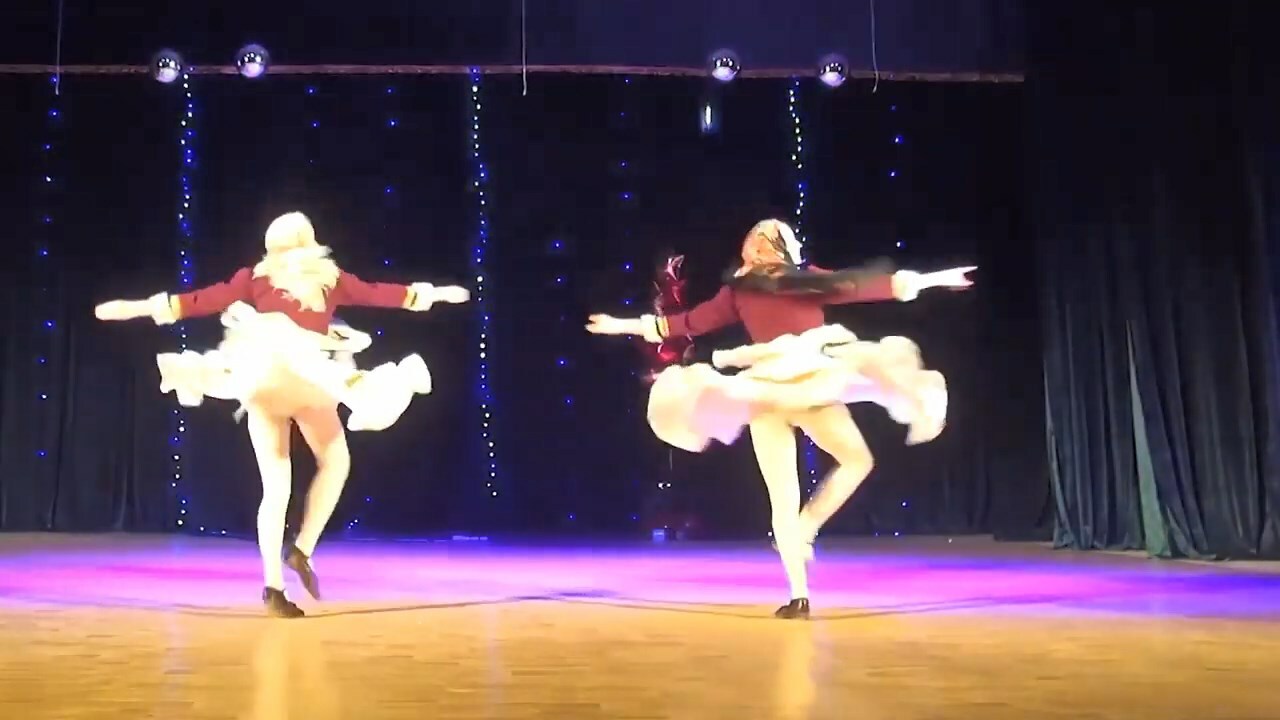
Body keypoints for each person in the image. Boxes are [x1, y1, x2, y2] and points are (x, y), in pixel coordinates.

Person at [586, 219, 973, 619]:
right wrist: (620, 325)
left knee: (857, 461)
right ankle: (798, 594)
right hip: (765, 392)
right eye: (752, 238)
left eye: (765, 239)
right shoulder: (739, 290)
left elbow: (864, 286)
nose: (755, 244)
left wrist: (937, 279)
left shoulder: (807, 280)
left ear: (782, 249)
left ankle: (805, 529)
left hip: (809, 385)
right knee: (783, 493)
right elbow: (686, 323)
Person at [95, 211, 469, 617]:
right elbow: (379, 293)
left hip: (270, 384)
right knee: (333, 464)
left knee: (281, 486)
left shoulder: (260, 279)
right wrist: (430, 295)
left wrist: (138, 308)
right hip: (303, 382)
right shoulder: (326, 280)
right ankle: (300, 551)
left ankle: (275, 583)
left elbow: (202, 300)